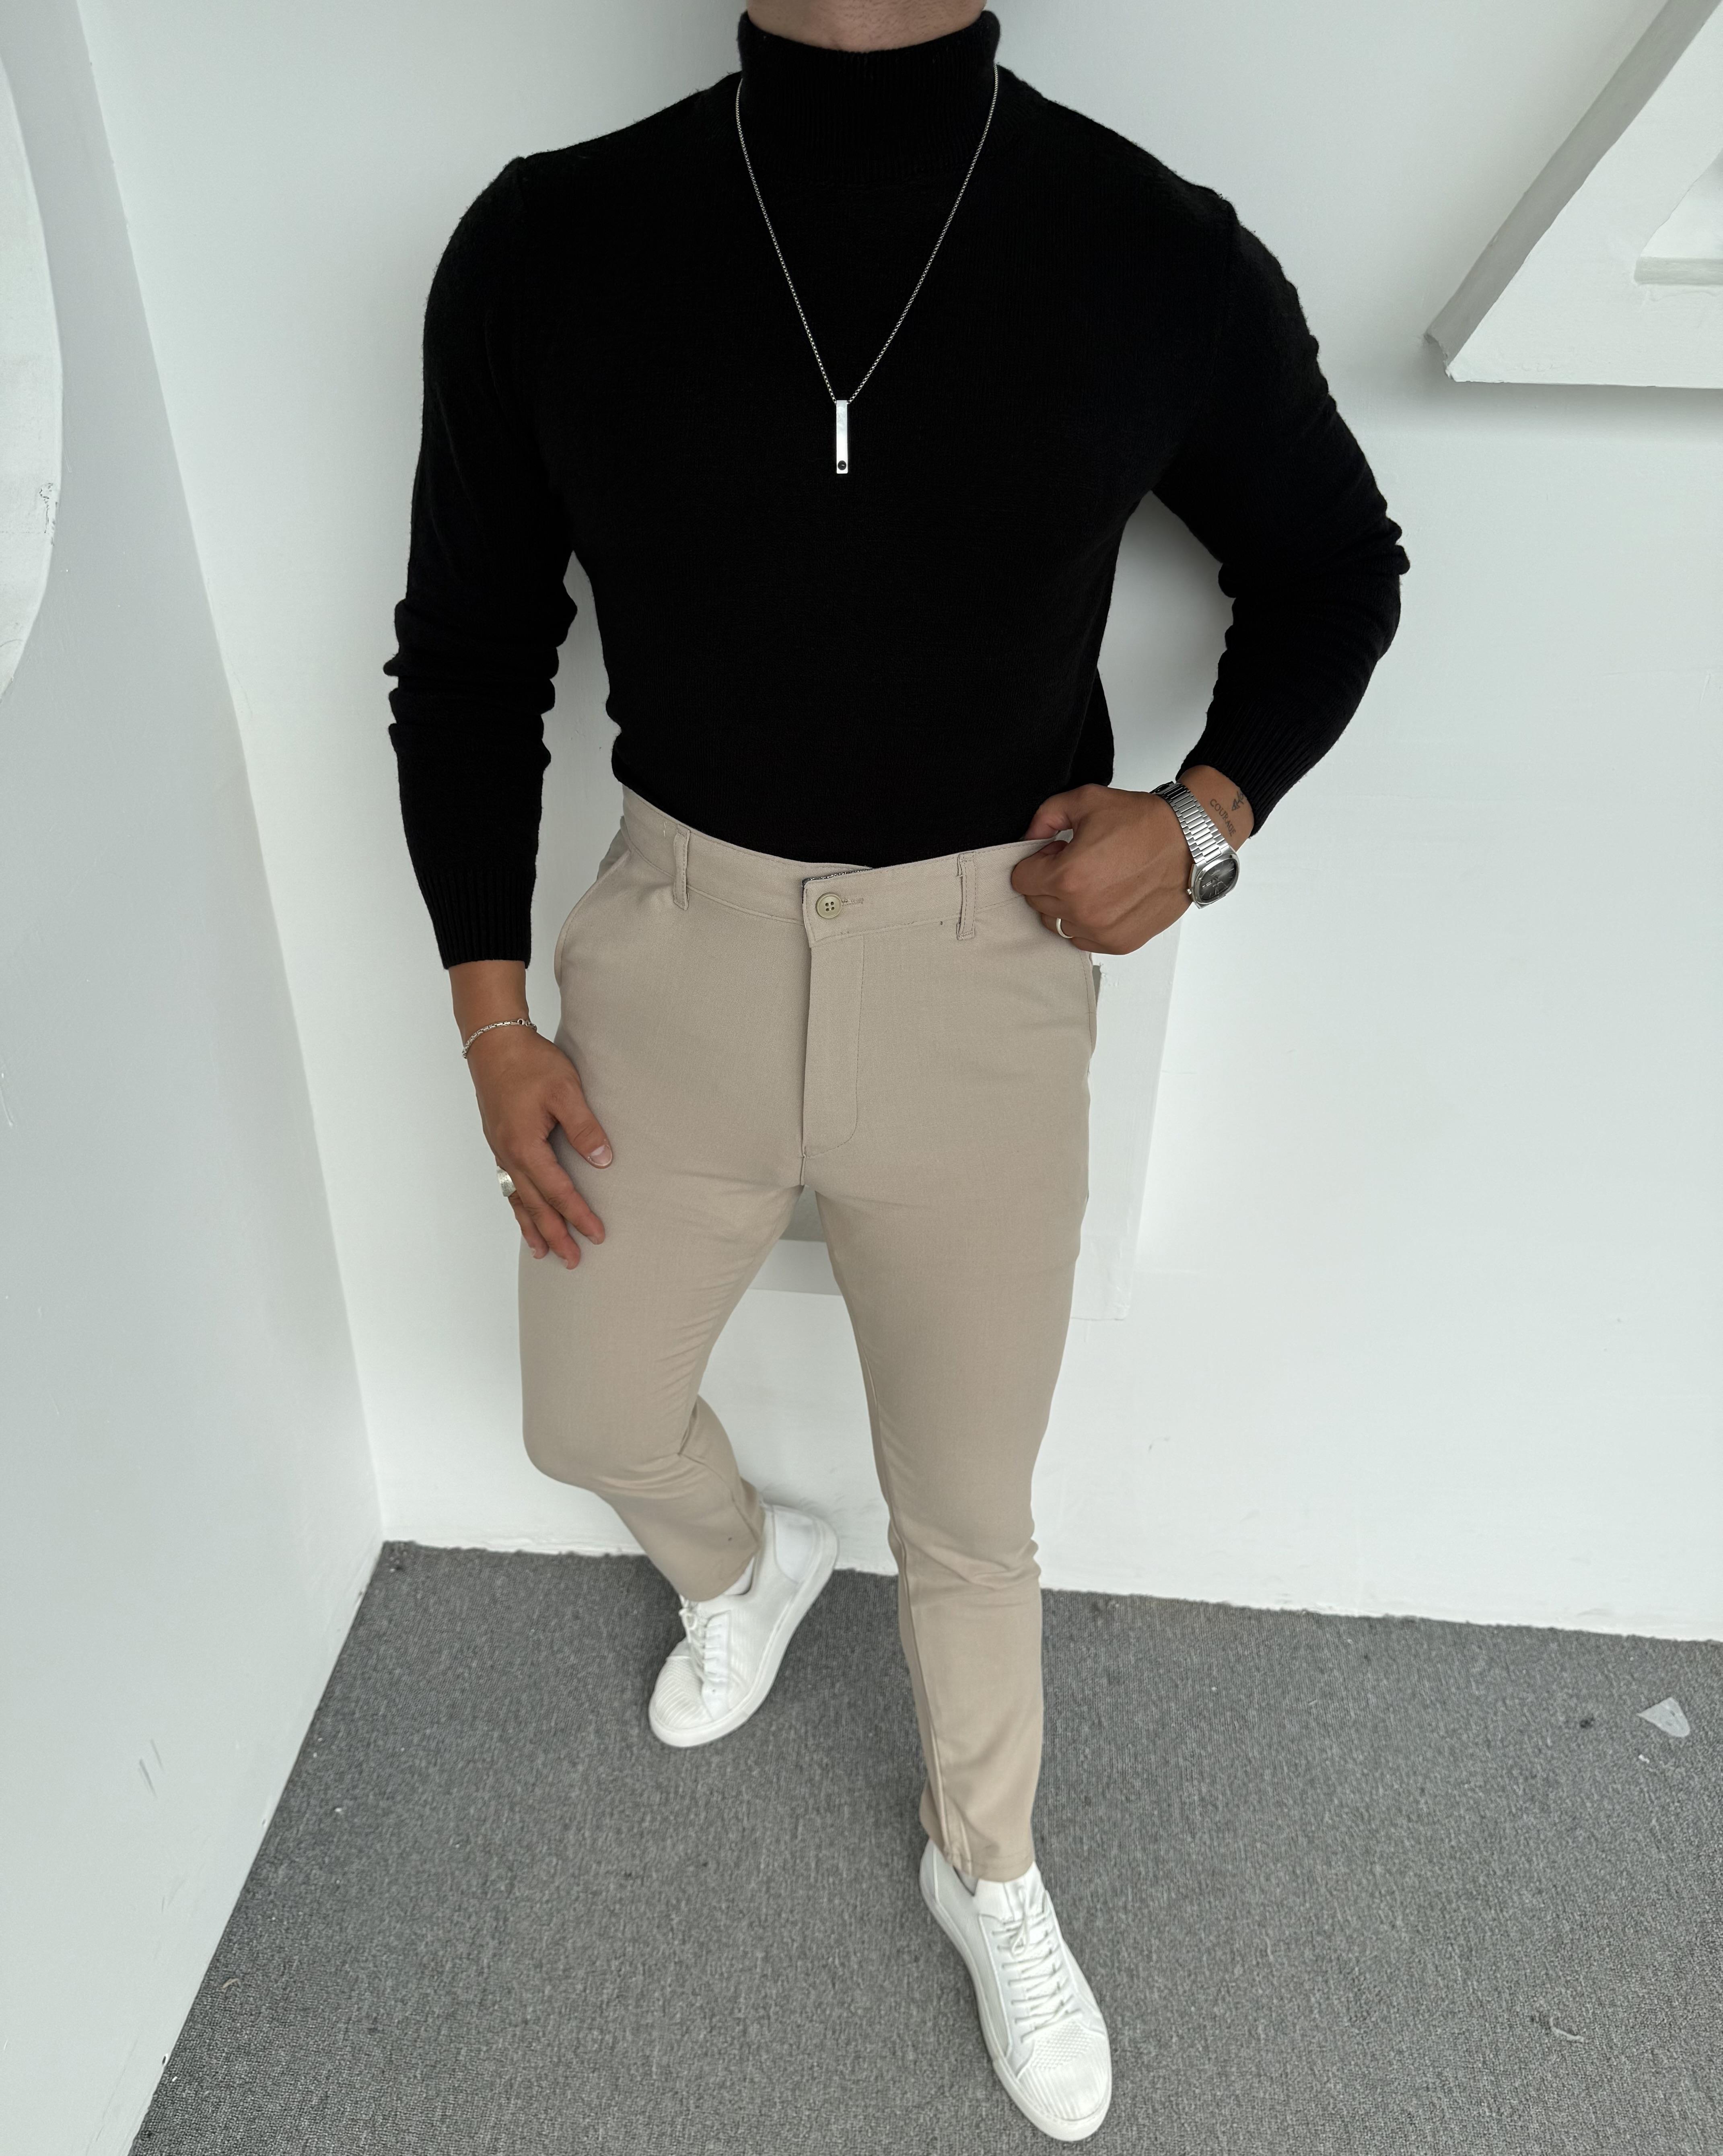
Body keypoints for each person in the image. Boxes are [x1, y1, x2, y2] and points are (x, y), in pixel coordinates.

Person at [385, 2, 1408, 2137]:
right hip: (676, 945)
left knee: (968, 1506)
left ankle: (990, 1862)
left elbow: (1335, 564)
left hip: (984, 963)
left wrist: (1206, 819)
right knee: (584, 1412)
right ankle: (744, 1561)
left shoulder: (1148, 249)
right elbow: (469, 652)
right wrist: (489, 1017)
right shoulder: (553, 243)